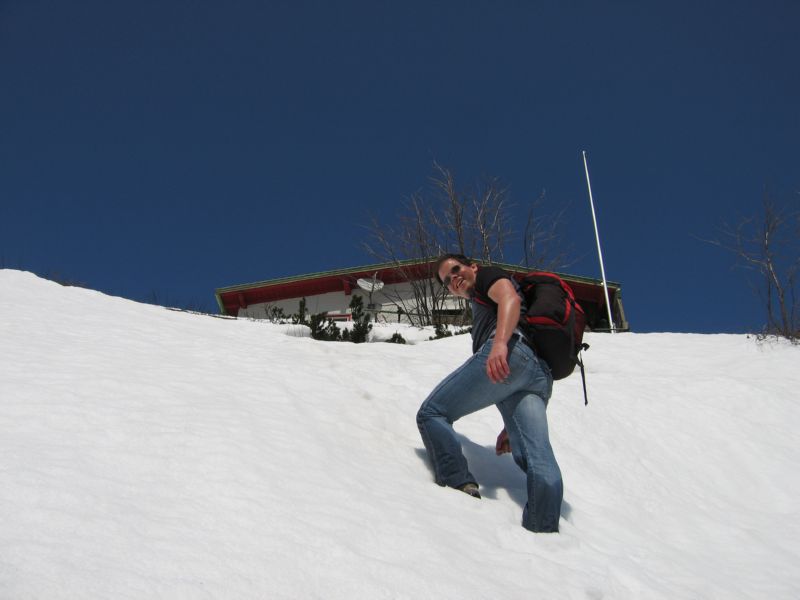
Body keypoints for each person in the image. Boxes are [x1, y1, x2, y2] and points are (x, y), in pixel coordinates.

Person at [416, 253, 563, 533]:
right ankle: (544, 531)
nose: (454, 278)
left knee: (432, 413)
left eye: (456, 269)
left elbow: (510, 299)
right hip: (536, 375)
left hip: (513, 354)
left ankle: (459, 484)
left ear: (473, 267)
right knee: (537, 457)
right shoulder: (480, 302)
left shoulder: (487, 276)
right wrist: (511, 425)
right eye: (447, 280)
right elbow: (520, 374)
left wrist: (500, 344)